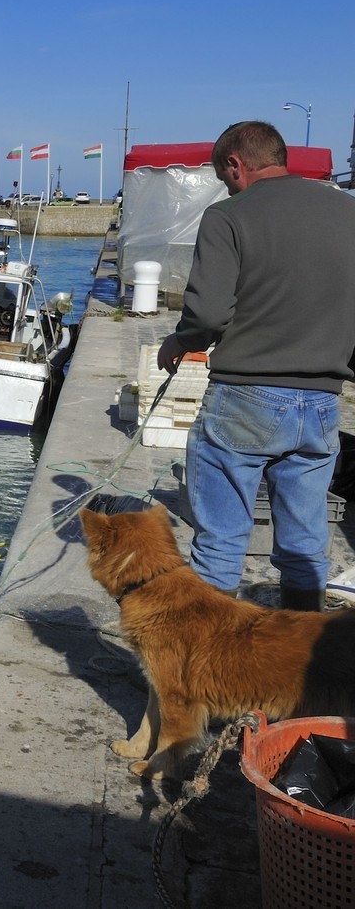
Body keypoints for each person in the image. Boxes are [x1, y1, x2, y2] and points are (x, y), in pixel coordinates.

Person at [157, 120, 355, 610]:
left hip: (245, 396)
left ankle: (207, 669)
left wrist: (181, 341)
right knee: (307, 546)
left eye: (226, 177)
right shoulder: (348, 211)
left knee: (221, 543)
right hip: (323, 402)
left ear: (234, 164)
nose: (228, 186)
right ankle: (301, 667)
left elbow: (206, 313)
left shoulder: (228, 215)